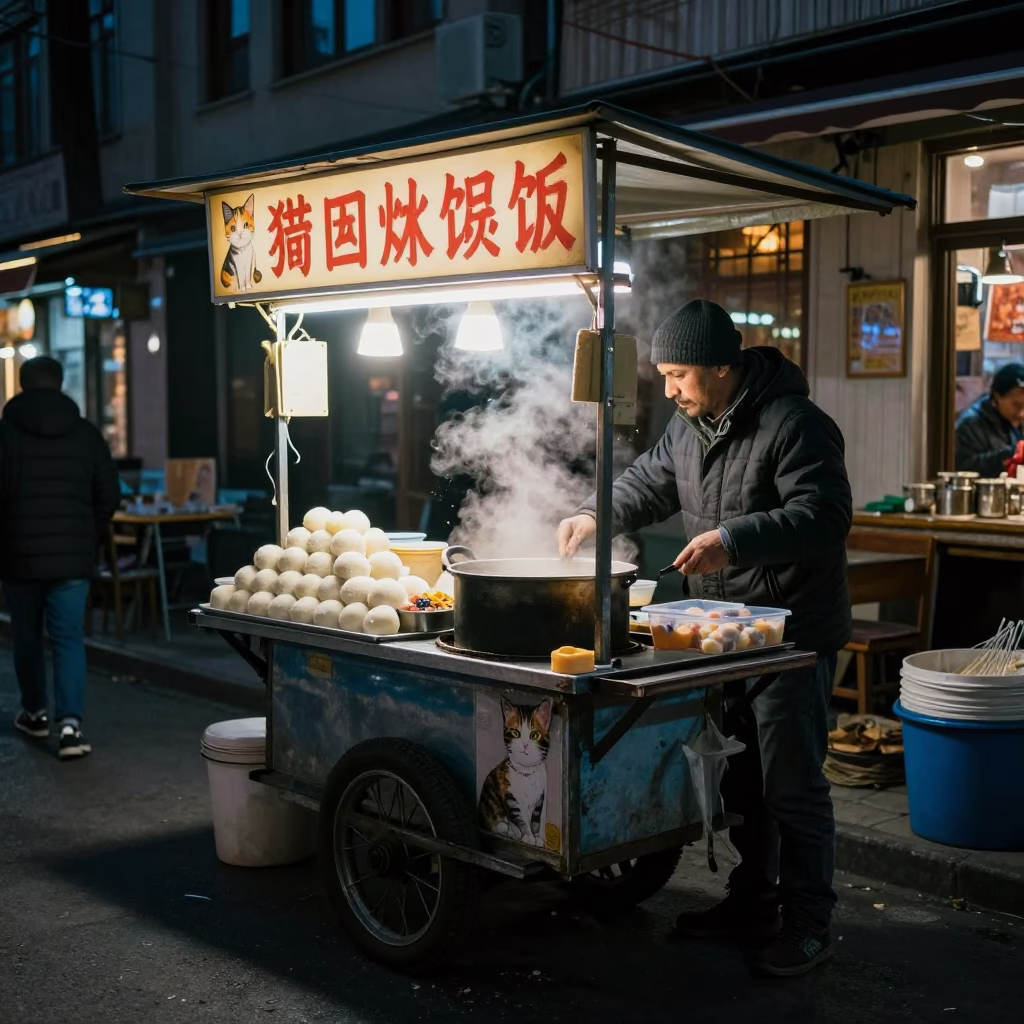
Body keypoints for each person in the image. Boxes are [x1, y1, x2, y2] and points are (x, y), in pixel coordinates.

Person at [557, 299, 852, 977]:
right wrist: (592, 514)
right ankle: (752, 904)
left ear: (724, 366)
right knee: (741, 778)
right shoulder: (690, 425)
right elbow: (648, 481)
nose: (669, 389)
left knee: (791, 783)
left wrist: (733, 539)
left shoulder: (796, 423)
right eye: (664, 375)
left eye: (680, 375)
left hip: (789, 635)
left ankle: (810, 924)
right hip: (721, 632)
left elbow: (826, 515)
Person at [0, 356, 119, 759]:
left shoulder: (5, 433)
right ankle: (70, 727)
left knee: (27, 639)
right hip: (72, 558)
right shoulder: (86, 434)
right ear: (61, 383)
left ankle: (35, 713)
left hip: (17, 557)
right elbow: (109, 495)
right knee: (68, 640)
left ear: (21, 385)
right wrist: (86, 531)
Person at [955, 363, 1024, 477]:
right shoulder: (970, 424)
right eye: (1016, 405)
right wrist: (1010, 455)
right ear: (997, 397)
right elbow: (965, 467)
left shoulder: (1013, 420)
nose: (1022, 413)